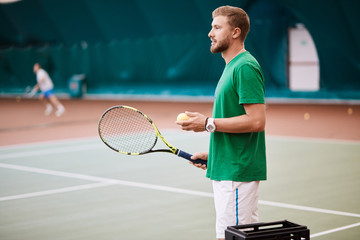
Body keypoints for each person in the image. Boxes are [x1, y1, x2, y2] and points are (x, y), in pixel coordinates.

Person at [176, 6, 266, 240]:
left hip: (236, 174)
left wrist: (207, 123)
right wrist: (215, 154)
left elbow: (256, 121)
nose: (210, 33)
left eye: (217, 27)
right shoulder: (231, 67)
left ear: (235, 32)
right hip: (228, 168)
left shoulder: (244, 66)